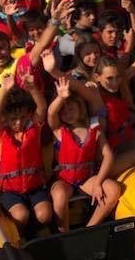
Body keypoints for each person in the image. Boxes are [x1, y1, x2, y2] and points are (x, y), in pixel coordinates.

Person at [48, 77, 121, 232]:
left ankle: (89, 229)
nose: (67, 113)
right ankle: (65, 235)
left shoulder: (94, 128)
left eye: (71, 108)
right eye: (63, 111)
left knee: (113, 190)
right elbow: (50, 113)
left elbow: (108, 156)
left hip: (87, 178)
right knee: (60, 198)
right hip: (64, 180)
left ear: (80, 108)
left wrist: (98, 183)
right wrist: (61, 97)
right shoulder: (58, 130)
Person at [0, 72, 52, 229]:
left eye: (23, 117)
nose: (19, 122)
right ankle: (20, 237)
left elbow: (42, 108)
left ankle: (38, 231)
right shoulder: (0, 134)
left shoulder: (34, 129)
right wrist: (4, 90)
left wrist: (32, 87)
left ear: (29, 115)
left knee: (44, 215)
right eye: (13, 119)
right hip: (10, 190)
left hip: (35, 187)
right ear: (6, 119)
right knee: (20, 215)